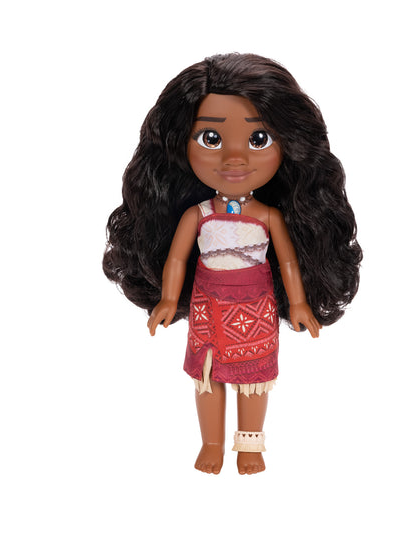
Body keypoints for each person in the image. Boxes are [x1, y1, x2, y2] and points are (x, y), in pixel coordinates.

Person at [103, 53, 362, 475]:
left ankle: (250, 445)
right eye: (211, 138)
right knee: (207, 376)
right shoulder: (198, 214)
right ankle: (211, 443)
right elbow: (177, 257)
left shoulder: (269, 216)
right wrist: (168, 299)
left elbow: (289, 262)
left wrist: (298, 304)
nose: (235, 158)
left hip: (255, 305)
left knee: (254, 379)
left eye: (258, 139)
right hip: (207, 305)